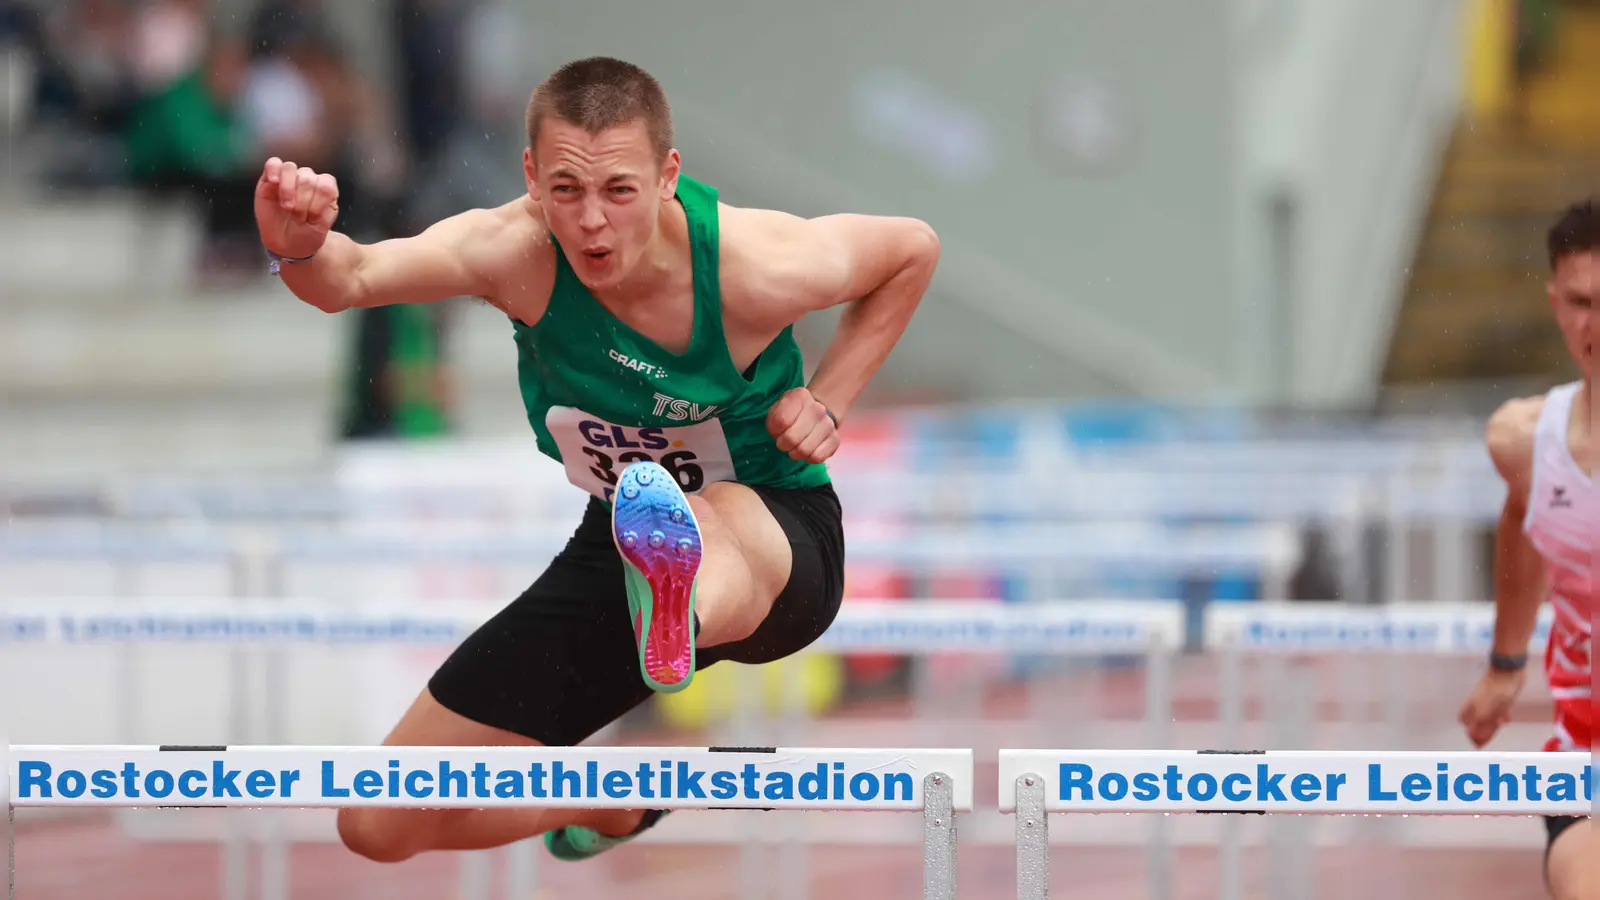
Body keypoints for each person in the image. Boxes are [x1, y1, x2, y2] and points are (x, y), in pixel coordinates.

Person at [254, 56, 940, 864]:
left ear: (666, 177)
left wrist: (827, 399)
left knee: (705, 513)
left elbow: (911, 250)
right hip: (620, 546)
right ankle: (611, 799)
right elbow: (353, 275)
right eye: (567, 191)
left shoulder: (755, 264)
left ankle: (678, 602)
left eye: (619, 191)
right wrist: (296, 247)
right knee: (376, 822)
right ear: (532, 178)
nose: (590, 224)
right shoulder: (509, 248)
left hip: (776, 540)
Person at [1458, 198, 1594, 900]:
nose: (1596, 326)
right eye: (1581, 302)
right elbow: (1524, 522)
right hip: (1588, 766)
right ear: (1555, 302)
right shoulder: (1523, 442)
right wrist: (1506, 664)